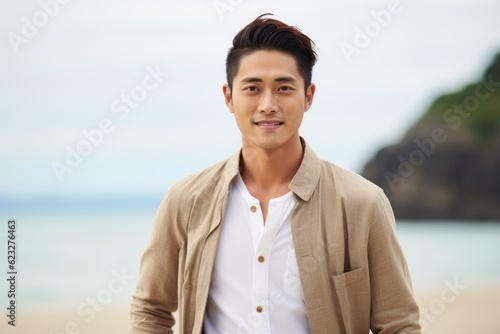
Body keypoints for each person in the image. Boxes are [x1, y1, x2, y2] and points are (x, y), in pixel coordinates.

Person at [130, 13, 421, 334]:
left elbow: (398, 323)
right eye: (252, 88)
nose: (268, 104)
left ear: (308, 96)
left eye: (284, 88)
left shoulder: (361, 203)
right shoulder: (187, 200)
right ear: (229, 97)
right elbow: (150, 308)